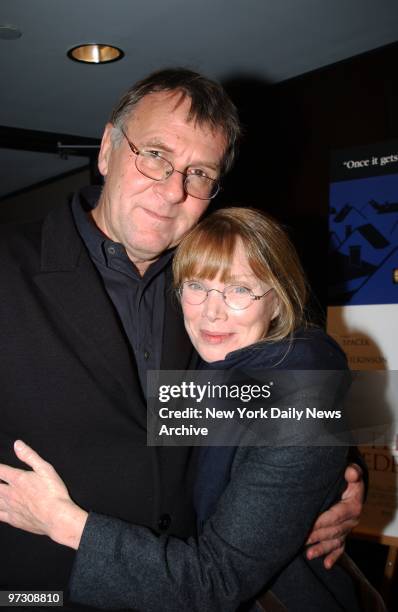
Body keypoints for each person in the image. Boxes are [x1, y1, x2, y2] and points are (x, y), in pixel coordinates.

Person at [0, 69, 363, 607]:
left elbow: (269, 399)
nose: (173, 189)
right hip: (43, 588)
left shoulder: (208, 290)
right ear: (106, 151)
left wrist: (342, 479)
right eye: (154, 154)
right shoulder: (8, 268)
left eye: (198, 173)